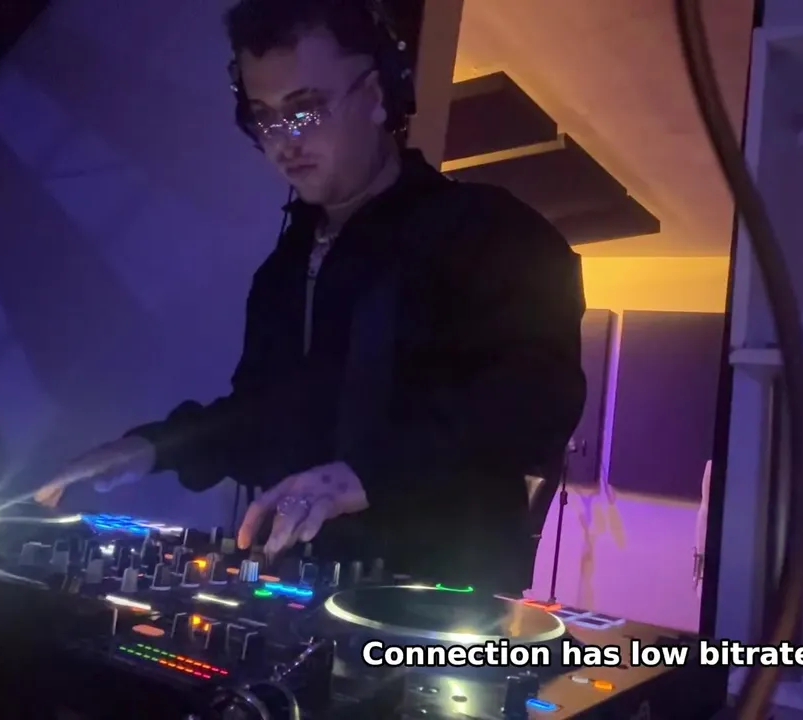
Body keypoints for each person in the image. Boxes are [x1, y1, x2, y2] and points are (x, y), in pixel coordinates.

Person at [33, 0, 586, 593]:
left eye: (305, 109)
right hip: (301, 583)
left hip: (443, 596)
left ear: (376, 93)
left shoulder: (493, 233)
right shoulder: (284, 270)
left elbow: (537, 404)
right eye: (264, 118)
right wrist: (147, 448)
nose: (284, 142)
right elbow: (261, 418)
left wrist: (368, 474)